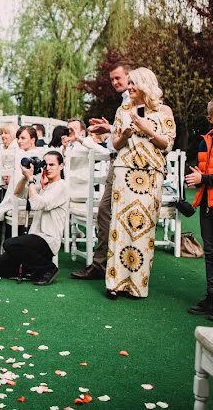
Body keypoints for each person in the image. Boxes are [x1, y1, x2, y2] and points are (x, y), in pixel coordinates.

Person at [104, 67, 175, 299]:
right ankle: (114, 284)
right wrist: (124, 135)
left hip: (150, 175)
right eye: (130, 82)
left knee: (142, 230)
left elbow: (167, 144)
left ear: (146, 84)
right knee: (119, 228)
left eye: (134, 83)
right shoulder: (122, 110)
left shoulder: (164, 111)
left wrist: (146, 128)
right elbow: (115, 143)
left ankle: (136, 286)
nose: (130, 86)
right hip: (124, 174)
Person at [71, 62, 131, 280]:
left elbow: (132, 132)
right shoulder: (123, 102)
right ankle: (101, 264)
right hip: (117, 162)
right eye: (113, 79)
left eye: (118, 78)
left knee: (109, 213)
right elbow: (119, 136)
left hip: (126, 166)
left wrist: (111, 130)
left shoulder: (132, 100)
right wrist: (109, 130)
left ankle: (109, 265)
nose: (115, 82)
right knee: (105, 213)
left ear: (129, 76)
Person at [0, 151, 69, 285]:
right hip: (34, 239)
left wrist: (31, 179)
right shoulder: (45, 186)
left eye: (52, 165)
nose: (48, 168)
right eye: (45, 165)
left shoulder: (61, 186)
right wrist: (25, 177)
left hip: (48, 239)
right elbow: (18, 192)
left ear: (61, 166)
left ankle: (48, 269)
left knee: (9, 243)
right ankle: (32, 268)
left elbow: (38, 204)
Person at [0, 125, 37, 261]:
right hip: (18, 193)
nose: (19, 141)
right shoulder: (20, 153)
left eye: (22, 138)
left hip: (26, 197)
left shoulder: (25, 155)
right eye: (18, 138)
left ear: (32, 140)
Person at [186, 97, 213, 323]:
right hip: (207, 204)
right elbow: (202, 173)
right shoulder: (204, 143)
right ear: (210, 119)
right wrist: (195, 180)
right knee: (210, 253)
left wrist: (204, 178)